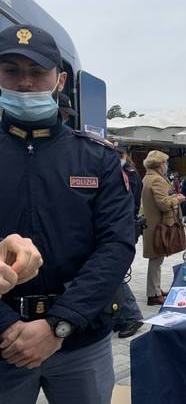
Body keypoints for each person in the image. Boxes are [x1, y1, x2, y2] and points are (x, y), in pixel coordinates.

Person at [0, 24, 135, 403]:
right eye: (11, 70)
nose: (25, 83)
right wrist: (8, 325)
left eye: (37, 71)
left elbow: (116, 246)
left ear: (59, 80)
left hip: (79, 340)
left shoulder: (98, 158)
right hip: (3, 342)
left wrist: (58, 324)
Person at [141, 150, 186, 306]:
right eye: (165, 162)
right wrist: (177, 199)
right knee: (156, 259)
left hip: (152, 224)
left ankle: (156, 289)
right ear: (160, 164)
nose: (167, 165)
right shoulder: (157, 180)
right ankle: (153, 294)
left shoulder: (148, 177)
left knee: (157, 258)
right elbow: (163, 203)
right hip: (157, 226)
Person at [111, 145, 144, 339]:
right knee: (115, 274)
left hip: (122, 228)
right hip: (122, 227)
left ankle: (131, 316)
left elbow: (125, 204)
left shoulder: (128, 175)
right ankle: (120, 316)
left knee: (114, 274)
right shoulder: (125, 173)